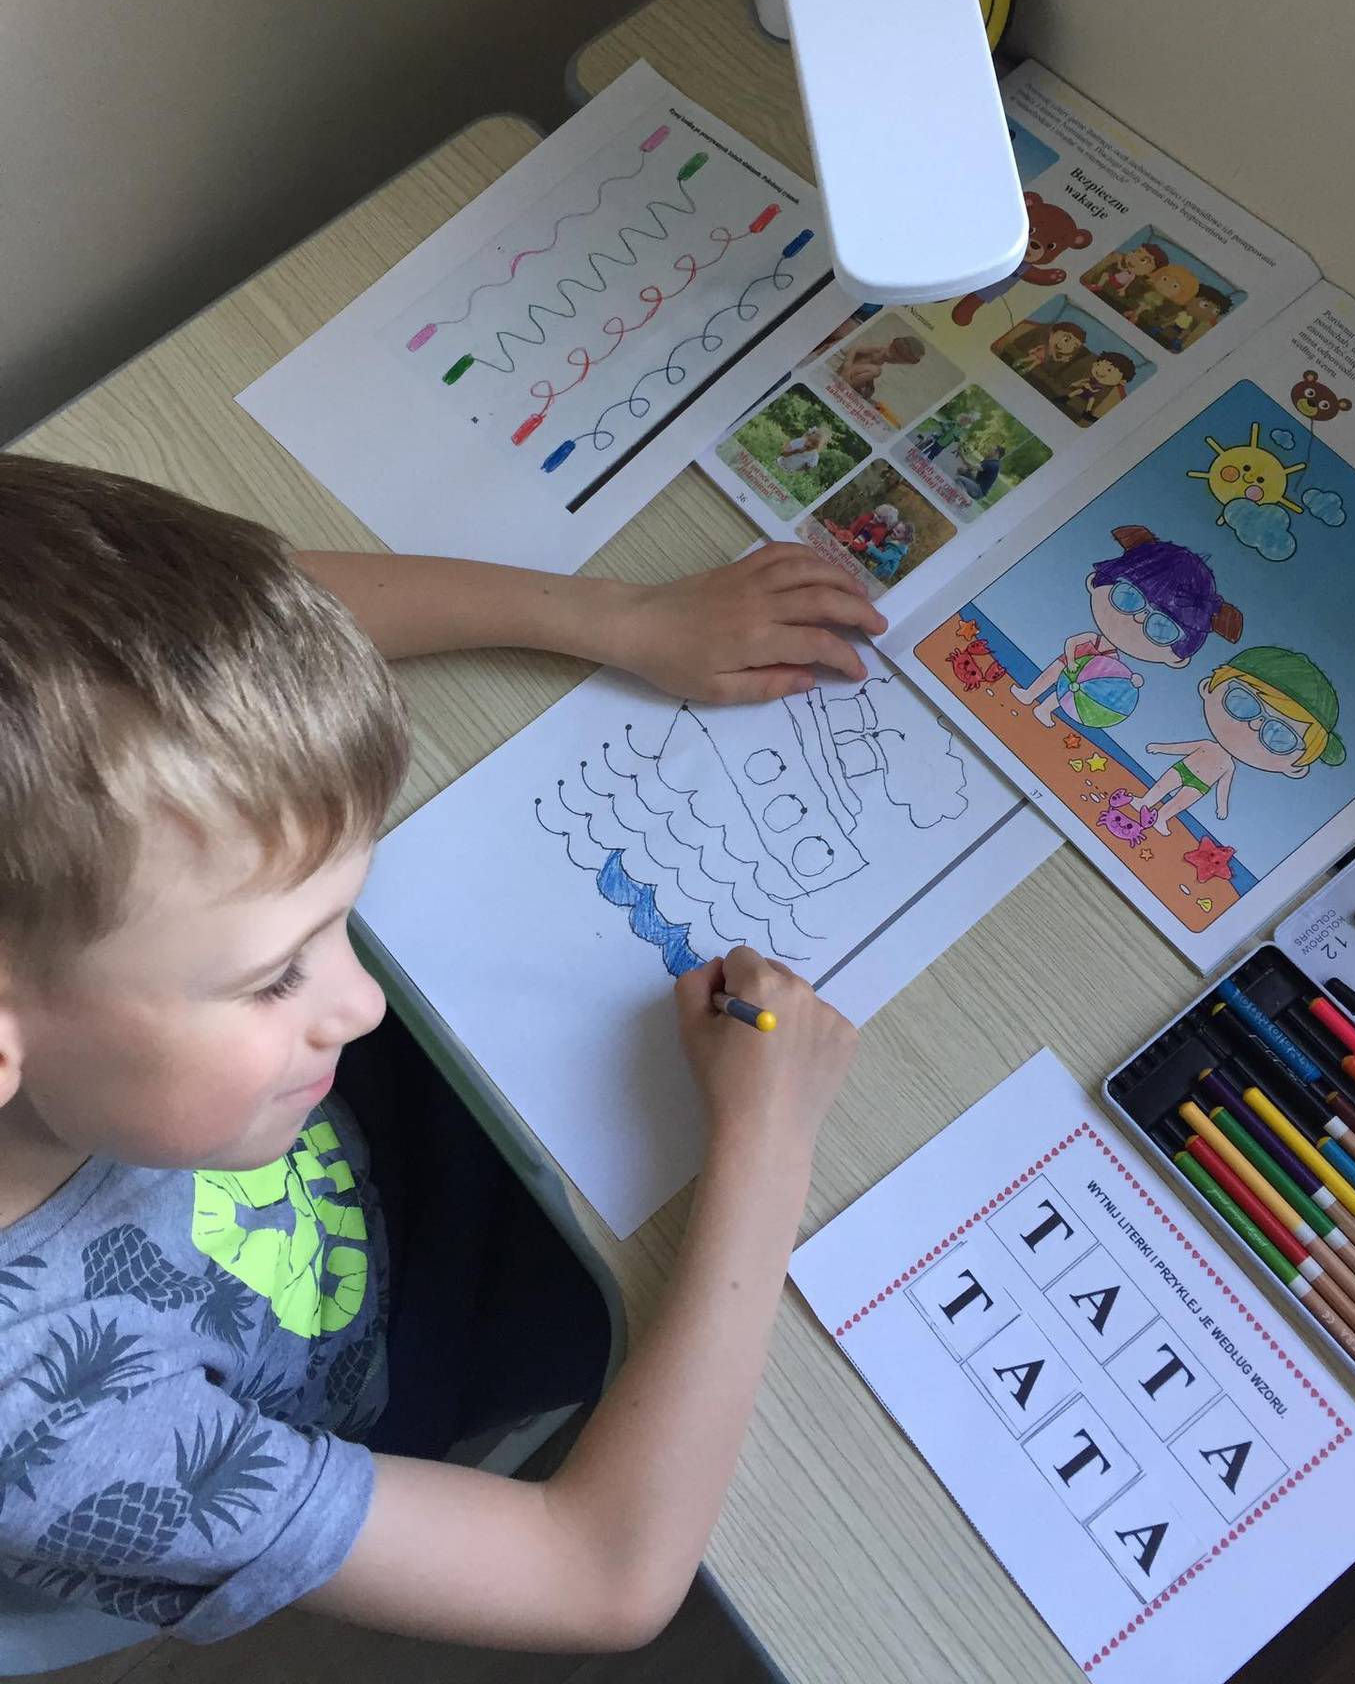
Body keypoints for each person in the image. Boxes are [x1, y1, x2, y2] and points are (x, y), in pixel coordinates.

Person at [0, 454, 868, 1650]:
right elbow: (599, 1576)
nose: (363, 1000)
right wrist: (770, 1143)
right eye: (277, 973)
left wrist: (613, 618)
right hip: (398, 1357)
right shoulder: (53, 1430)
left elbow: (212, 637)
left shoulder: (115, 1043)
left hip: (354, 1164)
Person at [1010, 523, 1244, 728]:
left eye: (1162, 627)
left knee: (1073, 690)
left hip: (1079, 679)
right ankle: (1029, 694)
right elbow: (1072, 643)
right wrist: (1070, 661)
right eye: (1128, 597)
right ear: (1094, 582)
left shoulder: (1112, 663)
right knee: (1057, 676)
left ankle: (1045, 709)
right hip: (1068, 664)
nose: (1139, 619)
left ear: (1178, 658)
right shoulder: (1093, 641)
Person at [1138, 645, 1345, 834]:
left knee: (1179, 803)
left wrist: (1222, 806)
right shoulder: (1207, 746)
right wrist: (1160, 747)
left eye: (1280, 736)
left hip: (1200, 785)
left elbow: (1223, 787)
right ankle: (1144, 802)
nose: (1254, 725)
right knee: (1162, 787)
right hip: (1183, 769)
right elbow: (1181, 747)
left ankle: (1162, 818)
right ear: (1208, 687)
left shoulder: (1228, 766)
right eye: (1242, 702)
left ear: (1296, 767)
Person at [835, 333, 925, 401]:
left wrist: (870, 384)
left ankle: (852, 386)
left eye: (896, 361)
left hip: (853, 372)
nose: (893, 362)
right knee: (876, 371)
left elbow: (867, 365)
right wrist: (846, 367)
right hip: (846, 372)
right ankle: (847, 385)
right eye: (895, 359)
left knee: (868, 386)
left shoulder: (883, 359)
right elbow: (855, 348)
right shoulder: (879, 349)